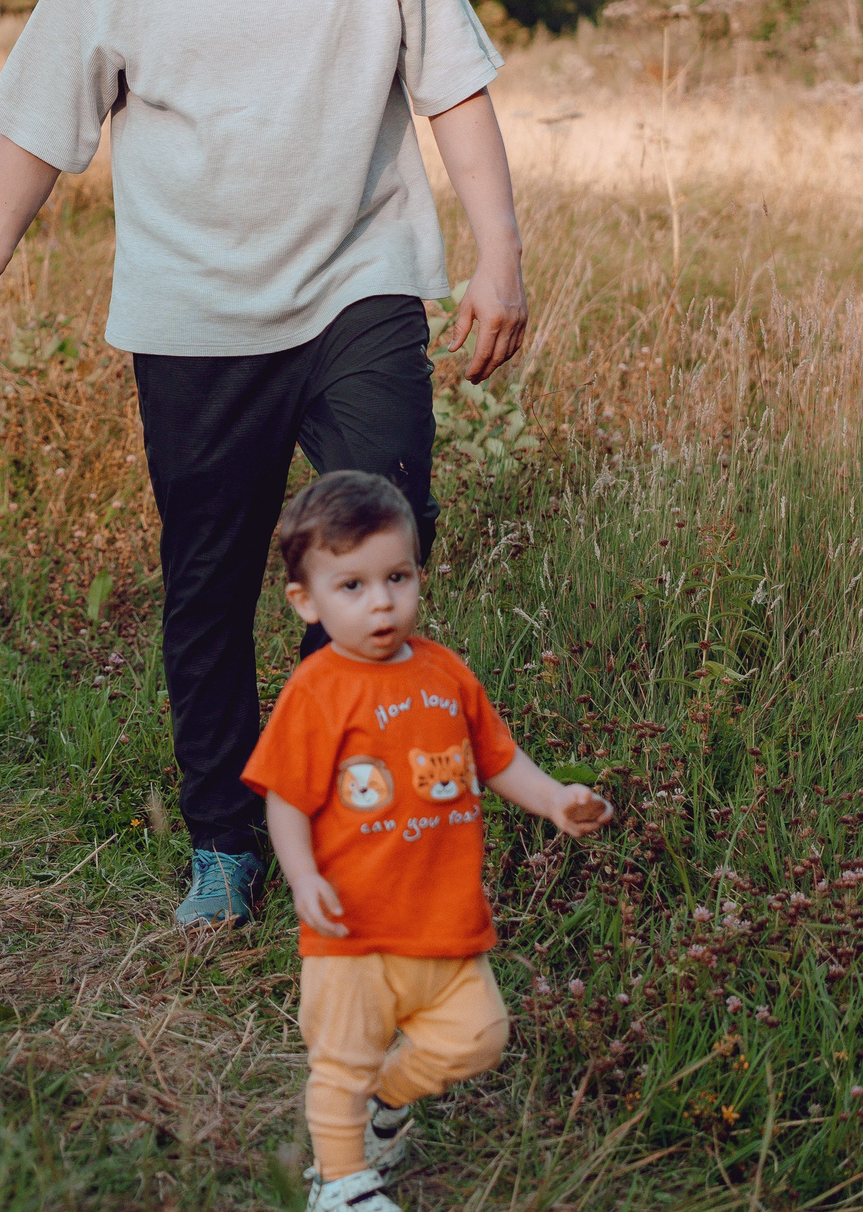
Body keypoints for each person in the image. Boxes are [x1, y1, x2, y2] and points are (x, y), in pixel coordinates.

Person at [0, 0, 532, 926]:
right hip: (194, 304)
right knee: (206, 578)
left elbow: (453, 87)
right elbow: (42, 121)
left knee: (371, 550)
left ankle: (344, 817)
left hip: (360, 282)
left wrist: (499, 252)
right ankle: (227, 837)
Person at [243, 471, 609, 1211]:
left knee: (479, 1037)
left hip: (441, 917)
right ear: (305, 601)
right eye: (352, 585)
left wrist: (555, 800)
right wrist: (301, 873)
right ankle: (340, 1183)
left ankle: (388, 1096)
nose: (381, 600)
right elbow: (285, 797)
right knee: (339, 1062)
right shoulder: (316, 690)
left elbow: (498, 757)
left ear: (417, 575)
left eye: (397, 577)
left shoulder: (446, 671)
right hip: (351, 926)